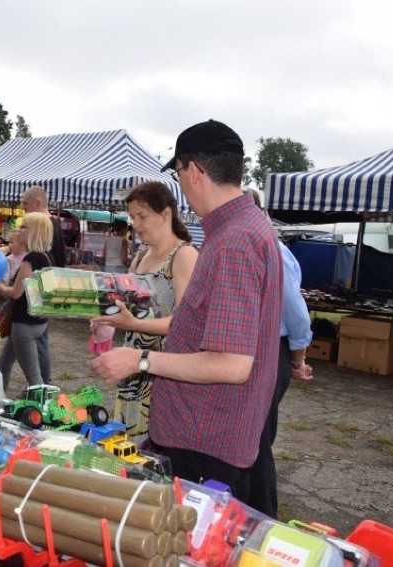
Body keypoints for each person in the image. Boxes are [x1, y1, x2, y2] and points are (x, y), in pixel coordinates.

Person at [91, 119, 283, 501]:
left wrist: (140, 359)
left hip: (206, 445)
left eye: (178, 173)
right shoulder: (237, 231)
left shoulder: (235, 242)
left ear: (192, 171)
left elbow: (231, 364)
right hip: (206, 437)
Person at [91, 181, 198, 447]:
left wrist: (133, 322)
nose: (135, 224)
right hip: (133, 365)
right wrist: (103, 315)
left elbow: (185, 324)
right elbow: (125, 301)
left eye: (142, 216)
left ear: (165, 214)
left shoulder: (184, 256)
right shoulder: (141, 254)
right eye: (132, 217)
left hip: (162, 369)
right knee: (127, 442)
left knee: (154, 448)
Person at [243, 188, 313, 517]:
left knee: (257, 440)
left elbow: (295, 311)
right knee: (249, 437)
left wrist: (298, 357)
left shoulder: (272, 249)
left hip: (272, 349)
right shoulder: (259, 245)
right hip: (259, 350)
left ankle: (264, 519)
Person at [0, 212, 54, 389]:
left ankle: (43, 411)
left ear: (33, 231)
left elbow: (15, 293)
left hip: (24, 324)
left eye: (23, 227)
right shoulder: (47, 257)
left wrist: (1, 287)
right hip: (38, 321)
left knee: (34, 379)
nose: (20, 231)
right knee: (3, 365)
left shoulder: (31, 258)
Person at [21, 185, 66, 267]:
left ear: (37, 203)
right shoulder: (53, 223)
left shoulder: (44, 226)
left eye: (25, 203)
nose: (23, 208)